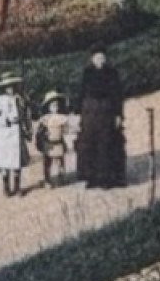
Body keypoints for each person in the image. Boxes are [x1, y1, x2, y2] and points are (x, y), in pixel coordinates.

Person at [77, 50, 127, 189]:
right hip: (90, 114)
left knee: (106, 145)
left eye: (102, 57)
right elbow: (81, 94)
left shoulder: (112, 73)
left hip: (107, 113)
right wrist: (78, 114)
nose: (100, 60)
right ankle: (91, 178)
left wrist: (119, 115)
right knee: (90, 145)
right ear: (92, 59)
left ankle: (107, 179)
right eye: (97, 57)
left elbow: (118, 95)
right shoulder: (87, 73)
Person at [0, 72, 31, 197]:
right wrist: (5, 120)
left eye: (13, 86)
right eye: (8, 87)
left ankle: (17, 187)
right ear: (4, 88)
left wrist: (27, 129)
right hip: (4, 134)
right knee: (5, 162)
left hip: (17, 133)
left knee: (17, 161)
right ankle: (6, 188)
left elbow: (26, 116)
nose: (11, 89)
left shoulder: (20, 99)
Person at [33, 90, 75, 189]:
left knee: (60, 161)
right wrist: (43, 134)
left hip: (59, 142)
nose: (55, 108)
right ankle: (47, 179)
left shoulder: (62, 118)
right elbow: (40, 131)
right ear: (48, 107)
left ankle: (61, 177)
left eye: (56, 105)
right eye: (52, 105)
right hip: (48, 144)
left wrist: (68, 131)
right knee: (47, 162)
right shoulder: (45, 119)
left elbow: (67, 129)